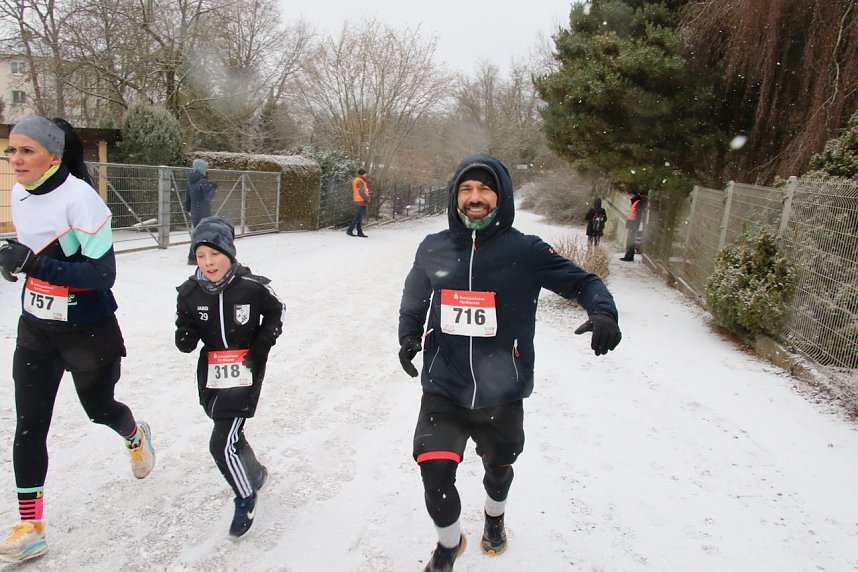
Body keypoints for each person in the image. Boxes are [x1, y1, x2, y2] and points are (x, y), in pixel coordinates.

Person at [398, 154, 622, 572]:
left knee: (498, 469)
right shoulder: (433, 248)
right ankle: (449, 545)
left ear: (499, 196)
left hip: (502, 391)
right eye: (466, 189)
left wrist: (603, 312)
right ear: (455, 197)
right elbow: (414, 297)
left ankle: (495, 517)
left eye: (484, 189)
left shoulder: (526, 250)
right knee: (433, 471)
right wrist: (408, 337)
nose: (475, 197)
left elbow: (584, 282)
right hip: (443, 386)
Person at [0, 116, 155, 563]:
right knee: (29, 425)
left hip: (88, 331)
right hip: (35, 330)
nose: (17, 159)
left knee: (99, 410)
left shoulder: (82, 200)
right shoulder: (17, 192)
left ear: (53, 155)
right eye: (13, 150)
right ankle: (31, 526)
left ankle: (135, 434)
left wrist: (33, 264)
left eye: (27, 151)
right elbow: (36, 248)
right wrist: (15, 262)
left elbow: (100, 275)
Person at [174, 216, 284, 538]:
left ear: (230, 253)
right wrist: (185, 336)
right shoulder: (189, 292)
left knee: (221, 443)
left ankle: (246, 496)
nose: (208, 263)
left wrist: (262, 345)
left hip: (247, 366)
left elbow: (277, 310)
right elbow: (186, 325)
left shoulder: (252, 286)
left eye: (214, 254)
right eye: (200, 255)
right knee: (226, 427)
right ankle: (255, 473)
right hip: (212, 372)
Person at [185, 158, 217, 264]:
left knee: (197, 233)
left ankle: (195, 256)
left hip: (195, 211)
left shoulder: (191, 181)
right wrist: (213, 188)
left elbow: (188, 197)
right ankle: (194, 257)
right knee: (203, 235)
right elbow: (208, 196)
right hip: (203, 211)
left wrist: (188, 209)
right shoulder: (202, 181)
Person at [619, 189, 646, 261]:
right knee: (630, 240)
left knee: (630, 241)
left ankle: (629, 256)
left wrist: (634, 225)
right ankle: (628, 255)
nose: (630, 196)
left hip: (633, 225)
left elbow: (637, 215)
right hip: (632, 224)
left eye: (631, 194)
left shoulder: (638, 203)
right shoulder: (636, 202)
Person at [346, 167, 370, 237]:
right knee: (358, 217)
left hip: (358, 200)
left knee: (359, 217)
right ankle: (350, 230)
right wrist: (367, 198)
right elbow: (362, 192)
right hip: (361, 201)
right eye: (365, 174)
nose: (366, 175)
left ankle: (359, 232)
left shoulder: (357, 180)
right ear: (362, 174)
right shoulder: (360, 181)